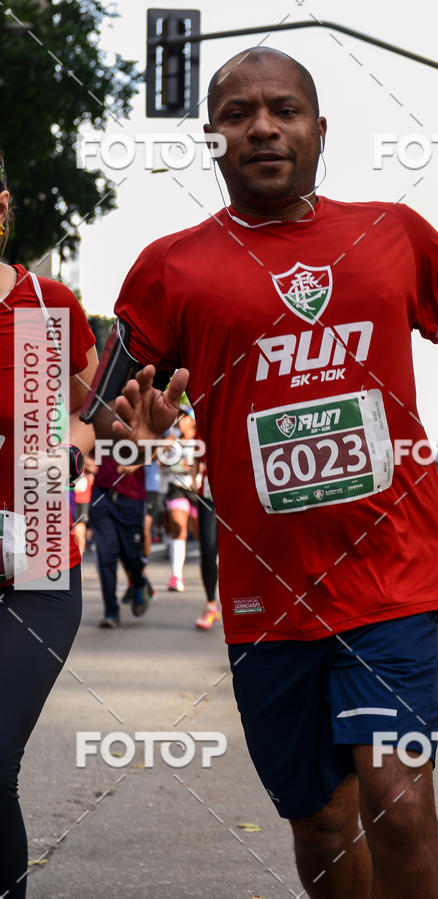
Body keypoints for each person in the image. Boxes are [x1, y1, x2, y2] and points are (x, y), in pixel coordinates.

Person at [85, 49, 438, 899]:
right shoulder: (170, 266)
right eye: (238, 113)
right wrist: (129, 426)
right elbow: (109, 400)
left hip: (391, 579)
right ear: (211, 138)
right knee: (322, 822)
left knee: (399, 805)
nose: (262, 127)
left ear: (319, 130)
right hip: (267, 595)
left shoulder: (392, 231)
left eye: (283, 109)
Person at [0, 152, 98, 898]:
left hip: (32, 566)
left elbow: (88, 416)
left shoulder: (44, 304)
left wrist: (72, 446)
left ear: (3, 206)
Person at [89, 454, 151, 626]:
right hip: (102, 495)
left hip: (131, 497)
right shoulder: (97, 425)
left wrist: (137, 463)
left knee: (131, 555)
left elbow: (165, 442)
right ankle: (111, 612)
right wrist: (84, 458)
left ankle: (140, 583)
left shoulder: (141, 425)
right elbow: (80, 439)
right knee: (106, 554)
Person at [164, 407, 197, 591]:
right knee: (179, 529)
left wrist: (194, 469)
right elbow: (163, 462)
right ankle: (176, 576)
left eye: (184, 418)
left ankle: (214, 567)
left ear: (192, 421)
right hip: (176, 487)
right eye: (178, 418)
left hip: (198, 492)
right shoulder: (173, 442)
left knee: (203, 535)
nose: (180, 422)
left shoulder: (200, 440)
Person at [193, 463, 220, 630]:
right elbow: (196, 453)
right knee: (208, 550)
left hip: (237, 491)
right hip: (209, 495)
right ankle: (211, 605)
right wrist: (194, 475)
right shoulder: (202, 436)